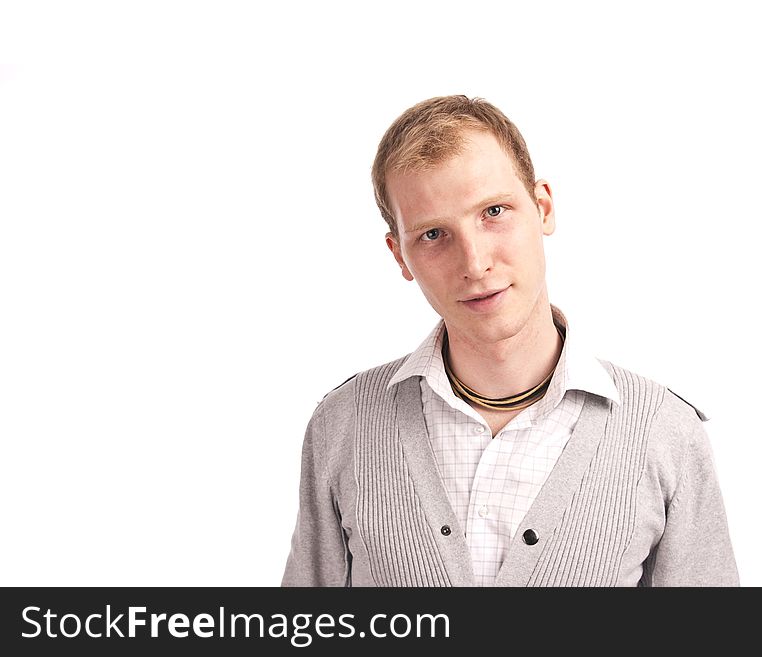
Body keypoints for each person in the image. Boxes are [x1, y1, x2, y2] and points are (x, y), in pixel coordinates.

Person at [281, 95, 738, 587]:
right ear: (399, 255)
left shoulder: (664, 433)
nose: (474, 263)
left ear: (542, 207)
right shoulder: (344, 424)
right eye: (434, 234)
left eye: (493, 211)